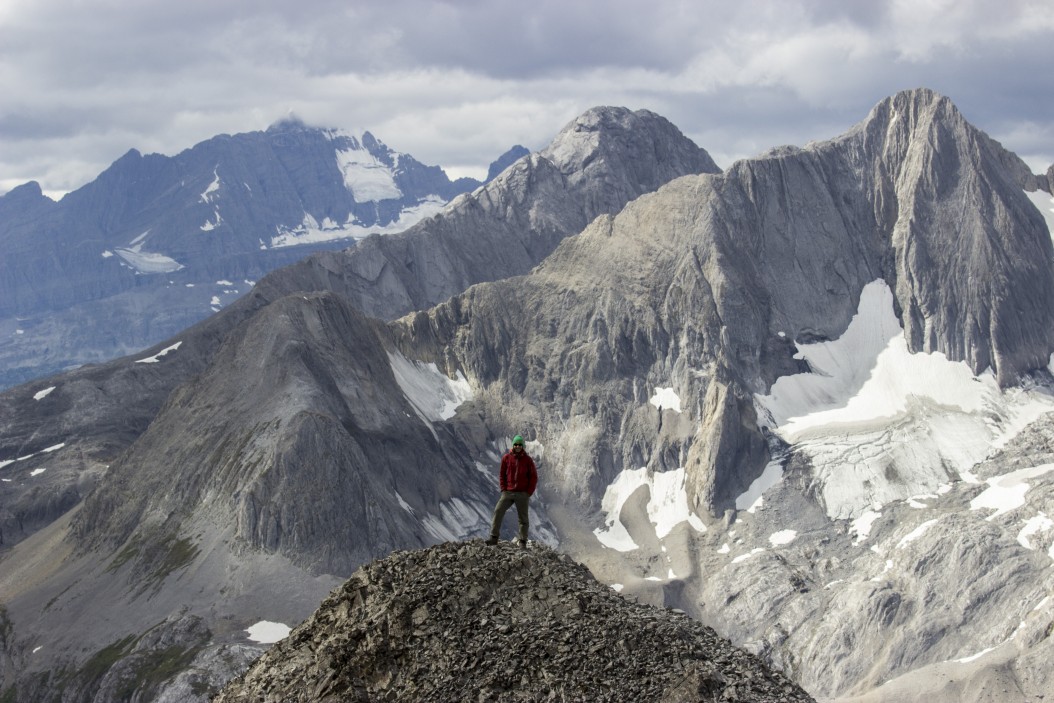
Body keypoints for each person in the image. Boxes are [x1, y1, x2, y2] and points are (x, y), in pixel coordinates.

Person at [485, 435, 538, 547]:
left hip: (522, 494)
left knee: (523, 518)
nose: (517, 446)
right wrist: (504, 489)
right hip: (508, 493)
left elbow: (533, 477)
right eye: (516, 444)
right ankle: (493, 537)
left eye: (519, 444)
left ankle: (523, 541)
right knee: (498, 511)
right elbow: (502, 474)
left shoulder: (528, 460)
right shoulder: (506, 458)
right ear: (513, 445)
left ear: (522, 446)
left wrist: (528, 493)